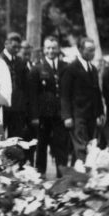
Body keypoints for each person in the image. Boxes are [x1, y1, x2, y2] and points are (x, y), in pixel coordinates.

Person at [60, 37, 105, 165]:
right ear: (80, 50)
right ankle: (82, 176)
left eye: (94, 50)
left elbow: (97, 94)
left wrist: (100, 113)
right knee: (81, 148)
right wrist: (67, 116)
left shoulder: (93, 69)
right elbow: (65, 95)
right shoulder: (71, 69)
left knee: (90, 147)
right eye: (89, 50)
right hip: (77, 115)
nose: (92, 53)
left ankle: (76, 178)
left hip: (91, 115)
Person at [28, 36, 68, 176]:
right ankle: (40, 173)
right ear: (44, 50)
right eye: (48, 48)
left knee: (60, 144)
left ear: (58, 49)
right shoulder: (37, 69)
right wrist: (34, 116)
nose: (51, 51)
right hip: (43, 115)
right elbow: (32, 95)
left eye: (54, 48)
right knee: (41, 144)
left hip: (60, 114)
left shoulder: (65, 67)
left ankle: (61, 174)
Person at [0, 32, 29, 140]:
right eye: (14, 47)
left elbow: (25, 84)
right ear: (6, 44)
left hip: (17, 107)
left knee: (15, 138)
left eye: (19, 47)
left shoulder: (21, 62)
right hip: (2, 105)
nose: (17, 50)